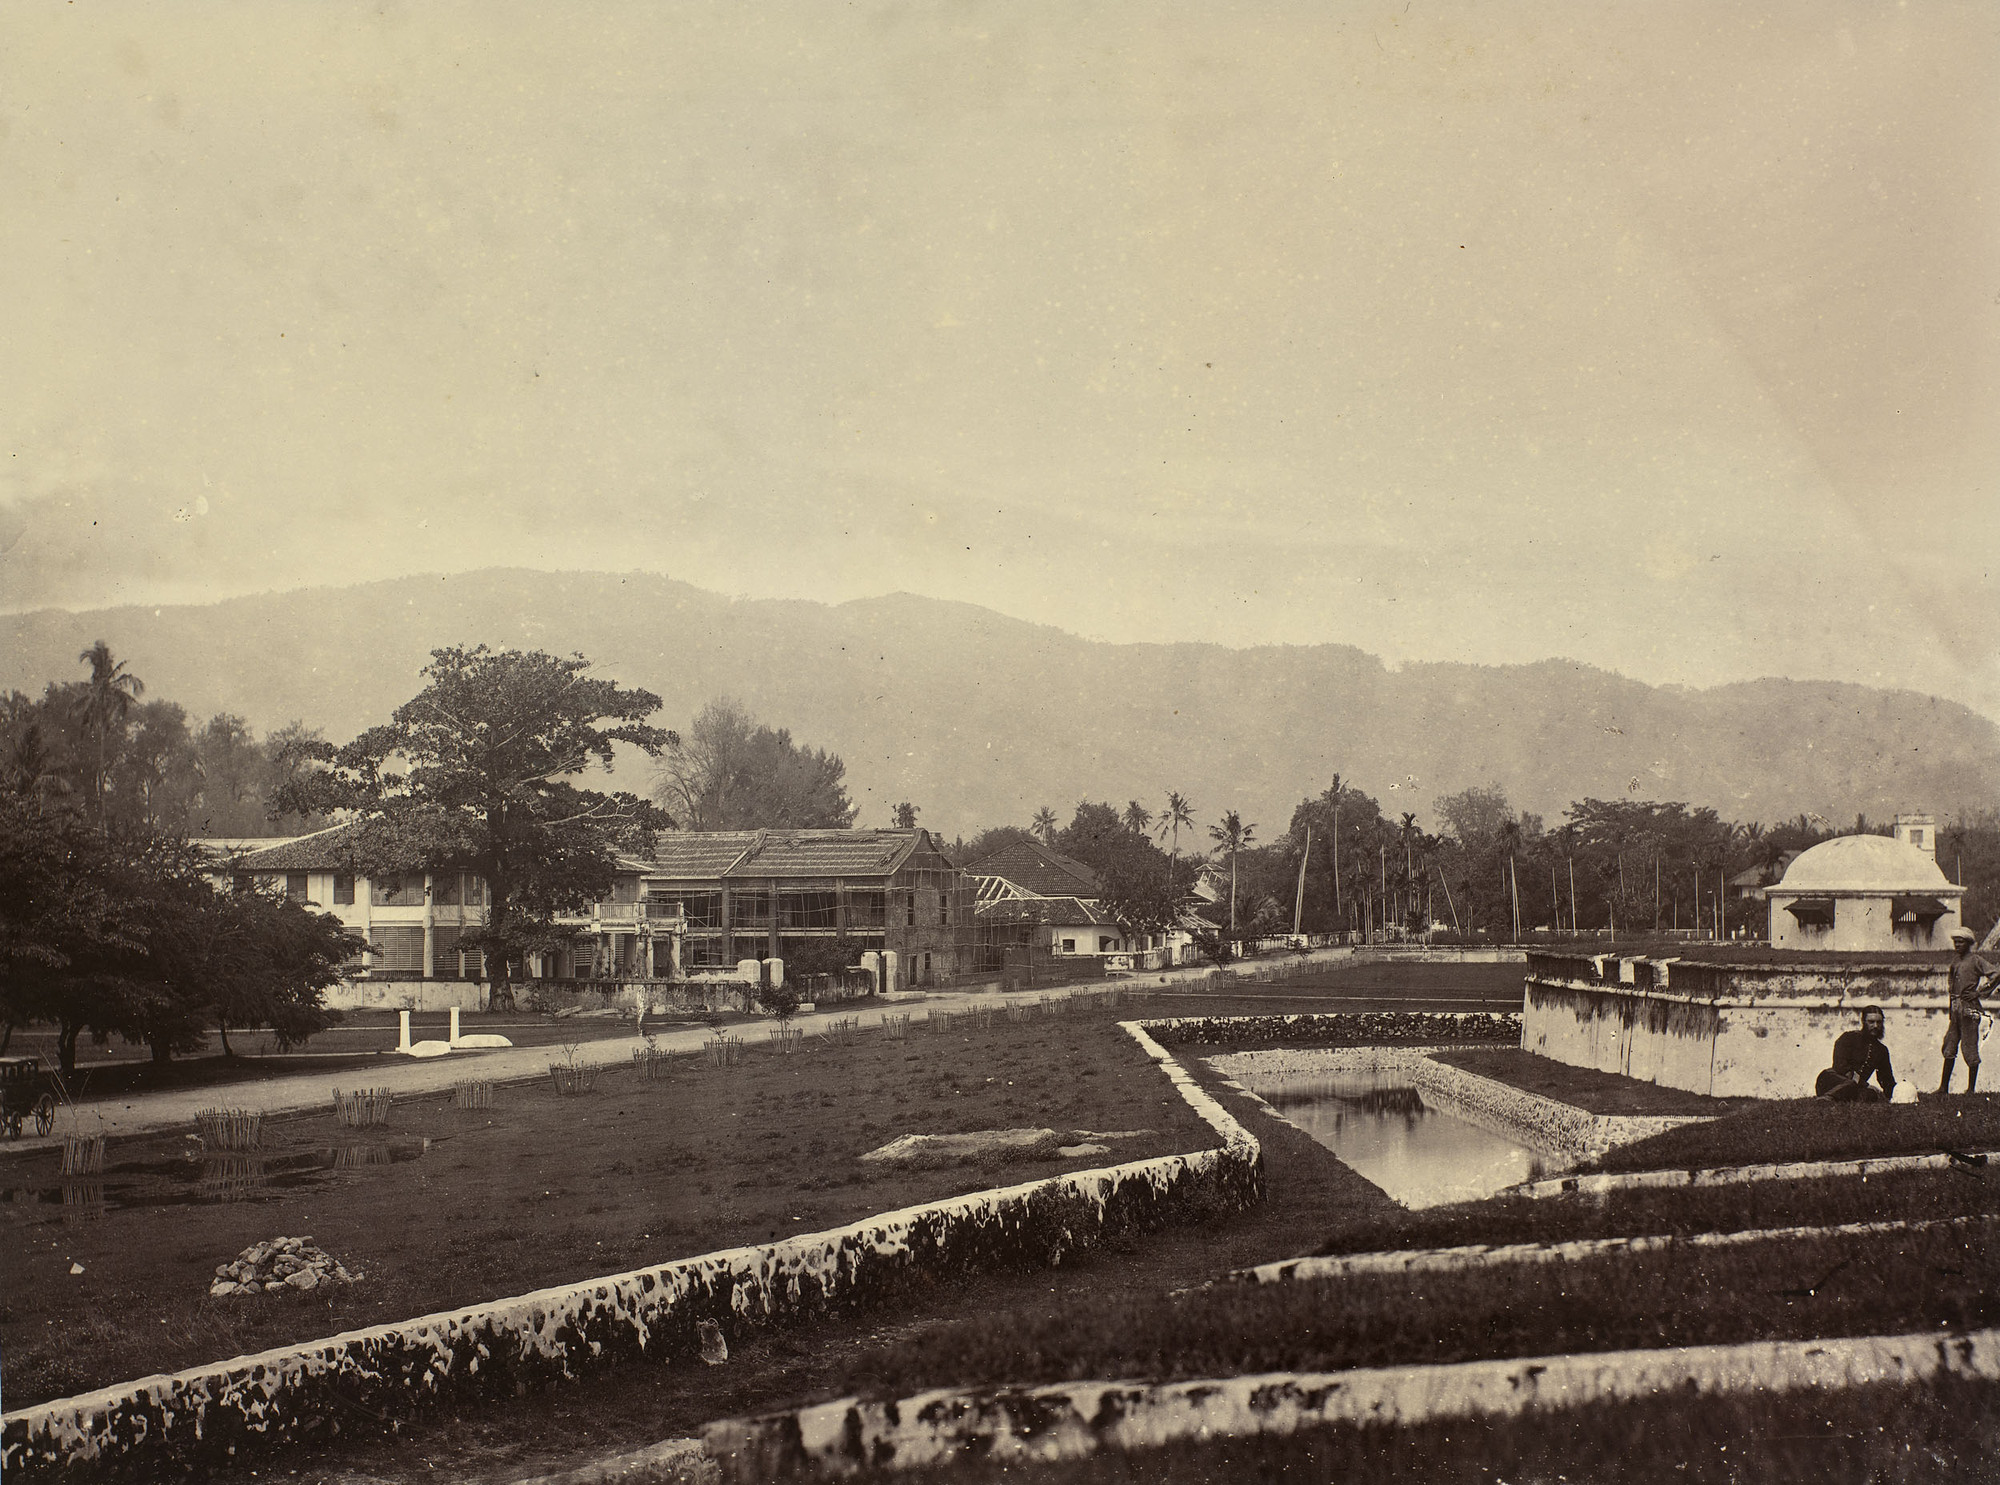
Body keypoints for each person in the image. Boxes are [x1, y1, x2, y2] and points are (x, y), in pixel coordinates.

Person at [1939, 926, 1995, 1095]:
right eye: (1955, 941)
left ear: (1969, 943)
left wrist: (1979, 992)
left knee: (1969, 1047)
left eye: (1961, 941)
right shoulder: (1955, 962)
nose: (1957, 944)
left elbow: (1995, 973)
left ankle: (1971, 1089)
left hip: (1969, 1009)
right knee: (1949, 1045)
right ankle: (1943, 1087)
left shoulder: (1976, 960)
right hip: (1956, 1009)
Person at [1816, 1005, 1896, 1102]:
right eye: (1871, 1022)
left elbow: (1886, 1079)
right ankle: (1826, 1099)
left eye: (1879, 1022)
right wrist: (1864, 1084)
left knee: (1871, 1094)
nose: (1875, 1026)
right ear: (1863, 1022)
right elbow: (1840, 1067)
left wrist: (1897, 1093)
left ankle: (1837, 1100)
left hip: (1856, 1087)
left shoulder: (1881, 1050)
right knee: (1852, 1083)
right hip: (1831, 1081)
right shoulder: (1848, 1038)